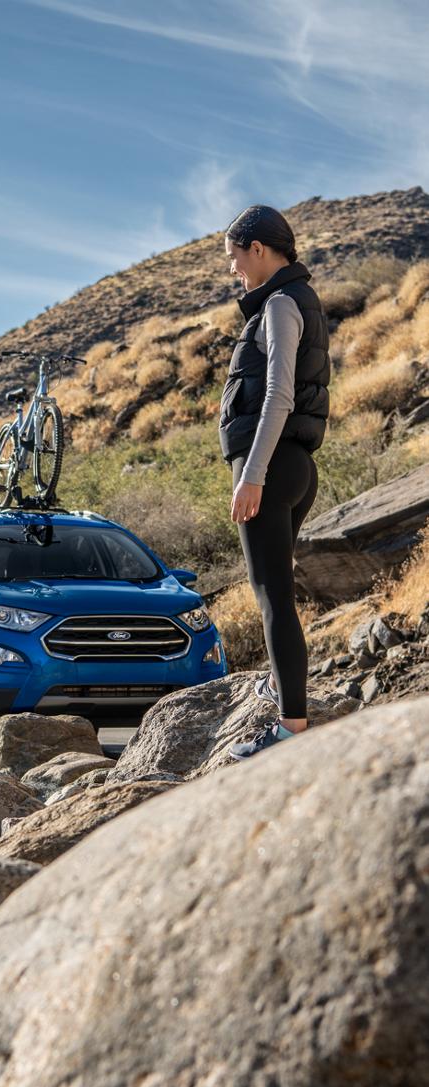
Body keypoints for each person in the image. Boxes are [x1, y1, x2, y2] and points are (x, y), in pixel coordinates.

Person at [219, 205, 330, 760]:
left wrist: (252, 475)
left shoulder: (281, 305)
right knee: (275, 594)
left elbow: (278, 396)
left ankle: (289, 729)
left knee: (271, 598)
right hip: (292, 465)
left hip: (274, 466)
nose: (235, 269)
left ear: (258, 248)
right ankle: (285, 694)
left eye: (236, 256)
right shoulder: (290, 300)